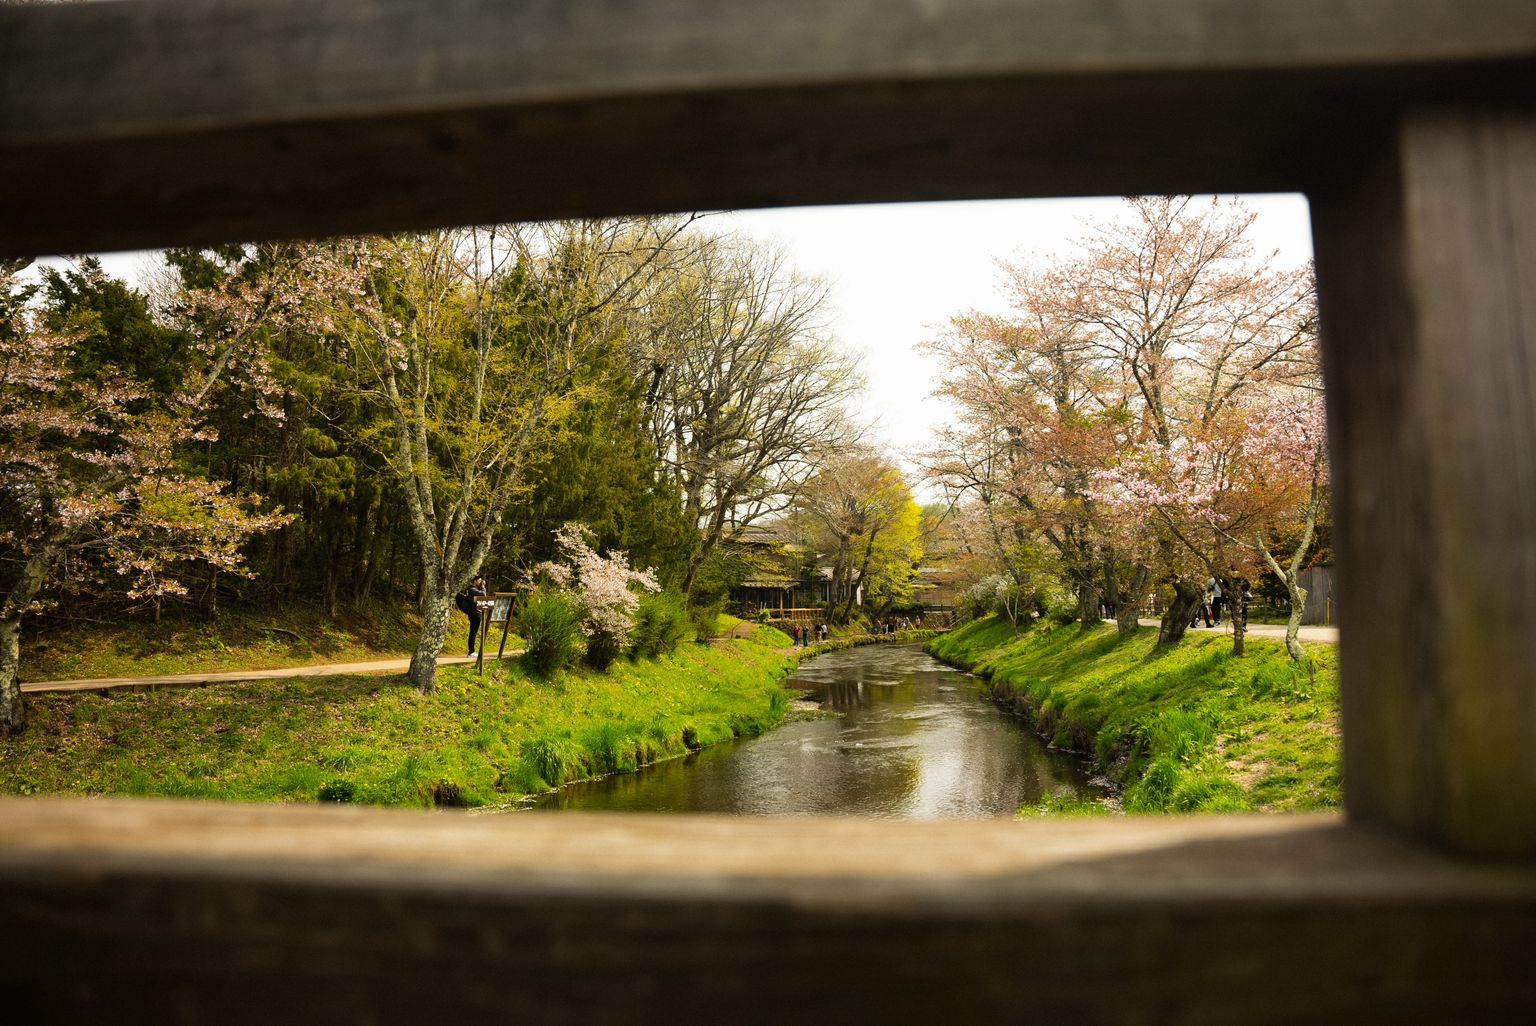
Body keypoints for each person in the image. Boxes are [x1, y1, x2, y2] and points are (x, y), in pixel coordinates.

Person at [466, 576, 487, 656]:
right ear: (475, 581)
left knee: (473, 632)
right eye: (479, 581)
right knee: (473, 632)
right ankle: (471, 651)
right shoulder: (472, 590)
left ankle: (471, 651)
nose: (481, 582)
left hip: (475, 612)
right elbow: (483, 594)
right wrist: (483, 587)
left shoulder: (474, 589)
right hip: (474, 613)